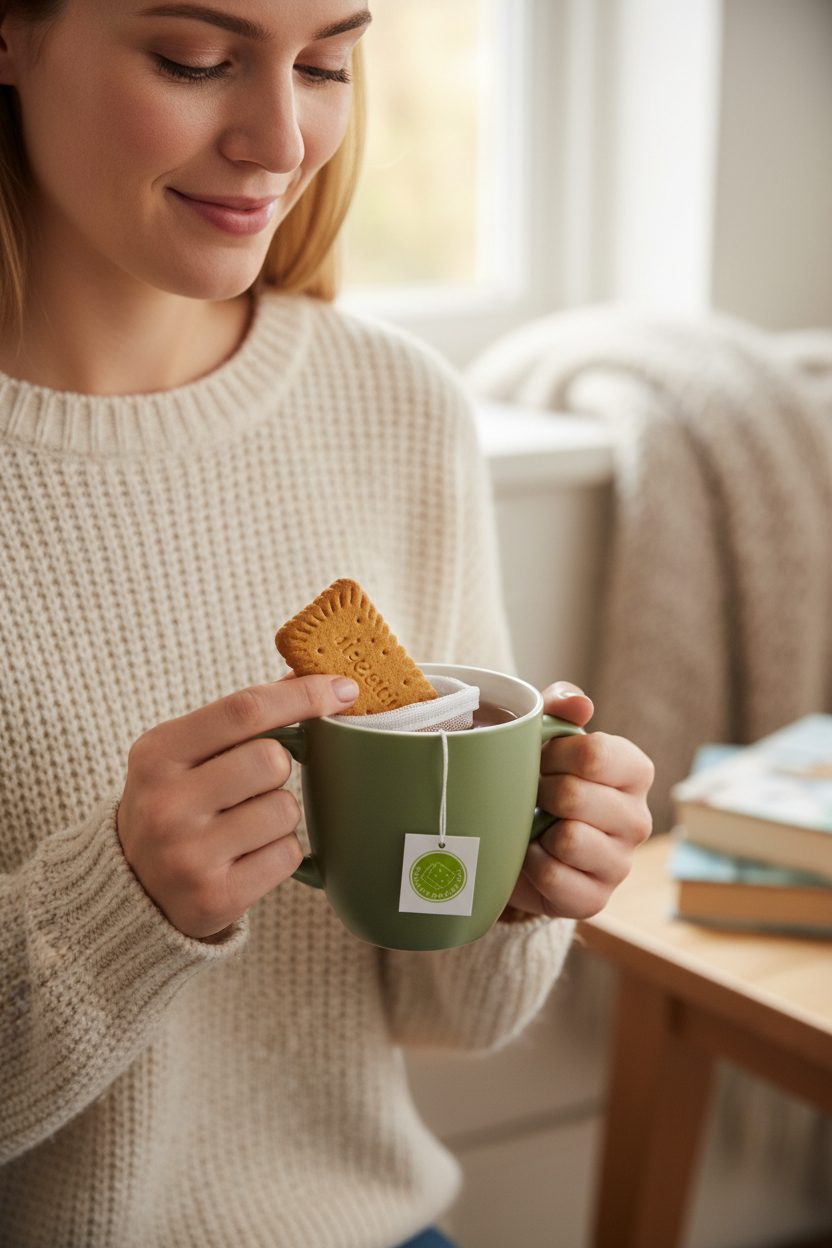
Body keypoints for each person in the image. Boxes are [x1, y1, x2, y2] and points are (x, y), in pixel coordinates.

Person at [0, 2, 654, 1245]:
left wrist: (524, 874)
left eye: (326, 64)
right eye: (195, 61)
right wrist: (118, 905)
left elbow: (447, 1016)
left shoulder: (394, 405)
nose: (284, 139)